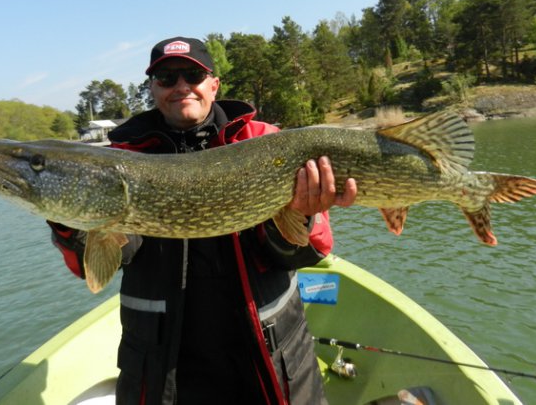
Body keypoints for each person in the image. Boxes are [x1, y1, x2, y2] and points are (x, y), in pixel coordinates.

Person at [50, 36, 357, 405]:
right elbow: (112, 258)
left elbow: (310, 252)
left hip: (271, 358)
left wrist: (303, 216)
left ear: (214, 84)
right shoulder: (124, 161)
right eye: (166, 78)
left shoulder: (265, 141)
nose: (181, 86)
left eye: (193, 75)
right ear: (152, 89)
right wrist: (68, 221)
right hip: (167, 369)